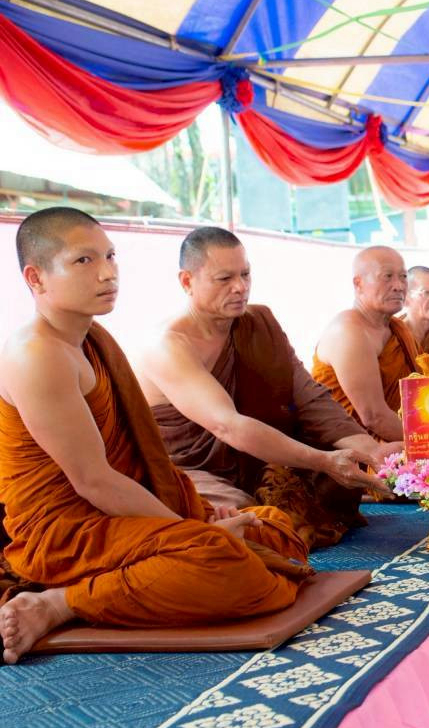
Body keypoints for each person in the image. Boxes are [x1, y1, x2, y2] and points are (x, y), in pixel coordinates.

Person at [0, 209, 310, 664]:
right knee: (229, 564)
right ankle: (59, 603)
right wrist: (195, 530)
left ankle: (168, 558)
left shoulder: (93, 340)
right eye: (83, 261)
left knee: (276, 529)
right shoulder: (36, 356)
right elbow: (94, 481)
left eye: (110, 256)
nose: (107, 273)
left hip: (115, 512)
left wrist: (199, 520)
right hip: (67, 532)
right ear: (36, 277)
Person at [137, 228, 396, 550]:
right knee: (247, 517)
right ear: (187, 281)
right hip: (192, 471)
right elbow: (228, 426)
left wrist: (370, 450)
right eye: (224, 278)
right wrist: (324, 461)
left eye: (245, 274)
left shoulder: (259, 322)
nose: (240, 287)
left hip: (257, 460)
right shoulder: (166, 346)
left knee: (339, 479)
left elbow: (308, 395)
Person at [312, 246, 420, 442]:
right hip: (354, 448)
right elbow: (374, 418)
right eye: (387, 276)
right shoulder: (349, 331)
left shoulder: (397, 328)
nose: (398, 286)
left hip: (402, 436)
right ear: (358, 283)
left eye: (403, 277)